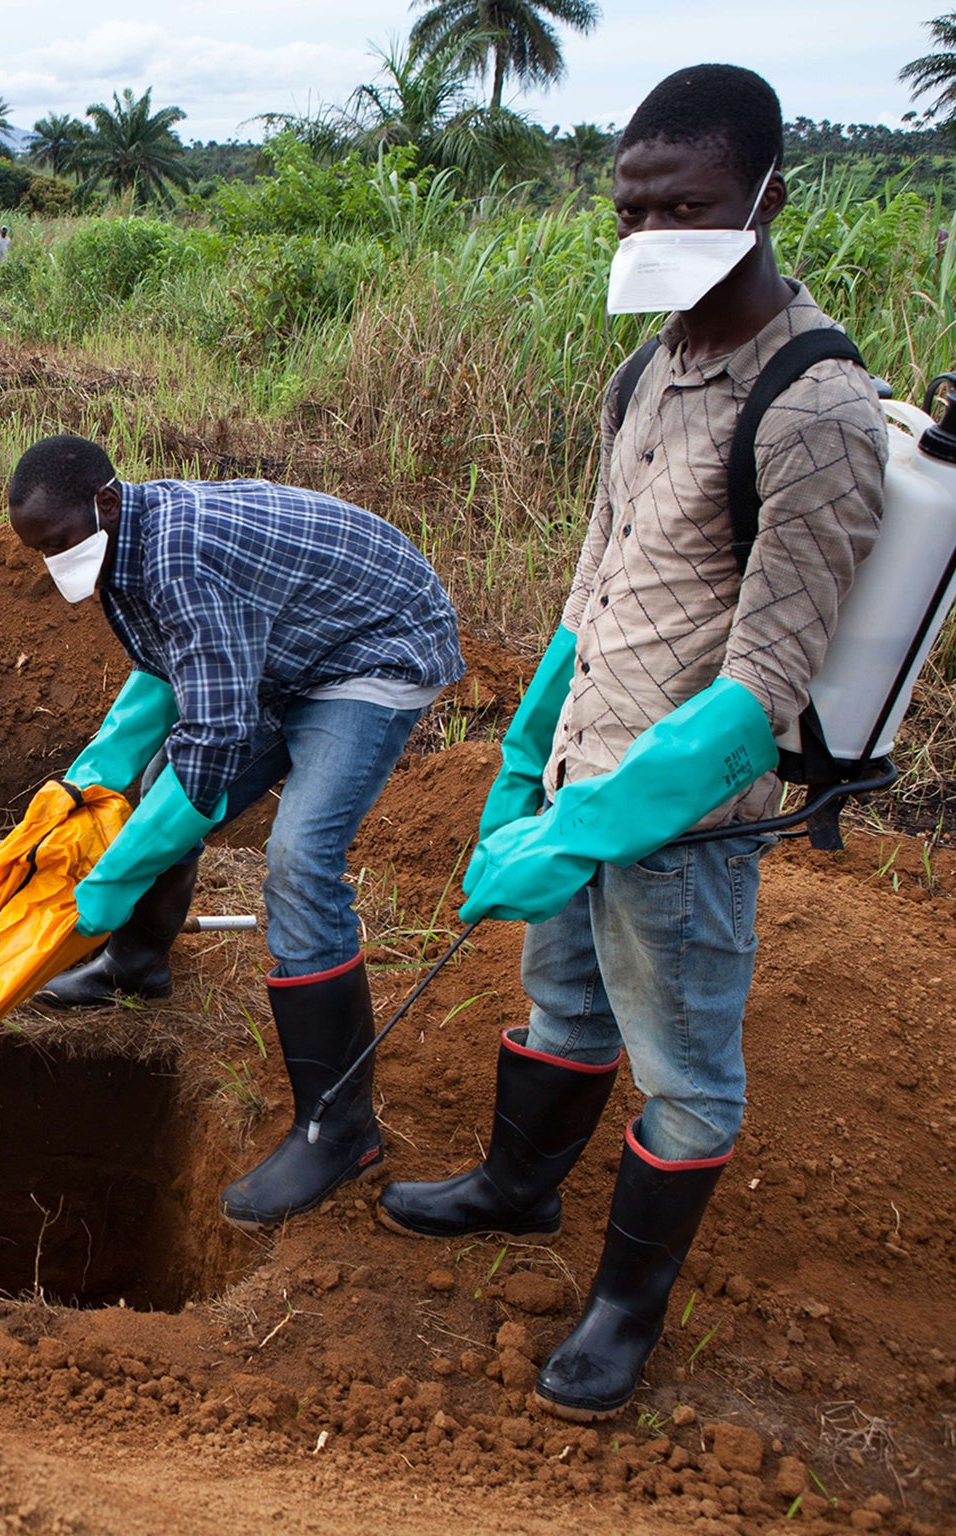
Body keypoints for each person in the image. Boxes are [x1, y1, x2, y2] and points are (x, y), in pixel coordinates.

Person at [378, 65, 885, 1422]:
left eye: (691, 204)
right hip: (582, 771)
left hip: (683, 822)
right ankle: (514, 1189)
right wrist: (520, 773)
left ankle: (621, 1315)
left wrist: (594, 828)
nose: (654, 231)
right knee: (565, 1006)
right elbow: (590, 594)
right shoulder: (644, 370)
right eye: (633, 206)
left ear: (770, 198)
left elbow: (763, 689)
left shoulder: (816, 410)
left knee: (685, 1072)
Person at [8, 435, 464, 1225]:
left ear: (106, 502)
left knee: (299, 861)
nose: (55, 562)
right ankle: (135, 967)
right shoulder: (125, 541)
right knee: (153, 788)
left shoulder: (181, 557)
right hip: (287, 647)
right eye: (39, 552)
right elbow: (164, 676)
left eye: (59, 543)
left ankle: (338, 1129)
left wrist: (112, 878)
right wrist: (86, 784)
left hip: (373, 648)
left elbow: (213, 742)